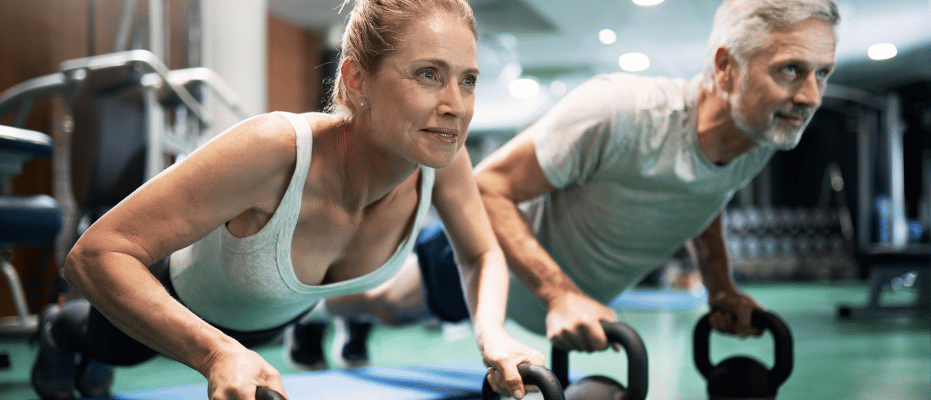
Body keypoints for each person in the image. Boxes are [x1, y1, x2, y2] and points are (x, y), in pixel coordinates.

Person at [30, 1, 546, 399]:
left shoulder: (441, 161)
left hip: (269, 316)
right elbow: (95, 254)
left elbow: (482, 252)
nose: (455, 106)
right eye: (428, 74)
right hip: (176, 299)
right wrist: (215, 351)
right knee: (112, 347)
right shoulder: (275, 149)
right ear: (356, 80)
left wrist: (492, 335)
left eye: (468, 80)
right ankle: (58, 331)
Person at [299, 0, 840, 367]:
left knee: (390, 303)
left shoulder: (761, 135)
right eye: (791, 71)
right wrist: (558, 293)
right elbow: (487, 189)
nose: (811, 96)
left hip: (563, 300)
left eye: (822, 74)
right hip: (493, 262)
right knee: (383, 300)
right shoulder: (620, 110)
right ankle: (318, 315)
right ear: (726, 68)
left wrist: (720, 287)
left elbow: (704, 194)